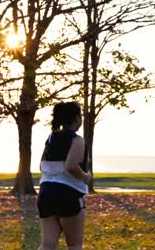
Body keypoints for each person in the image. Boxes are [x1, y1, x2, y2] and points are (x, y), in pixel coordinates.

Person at [37, 102, 93, 250]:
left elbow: (42, 165)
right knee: (74, 244)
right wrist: (86, 177)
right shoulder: (77, 140)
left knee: (47, 244)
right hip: (68, 194)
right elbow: (71, 166)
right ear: (76, 119)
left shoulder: (51, 138)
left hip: (45, 193)